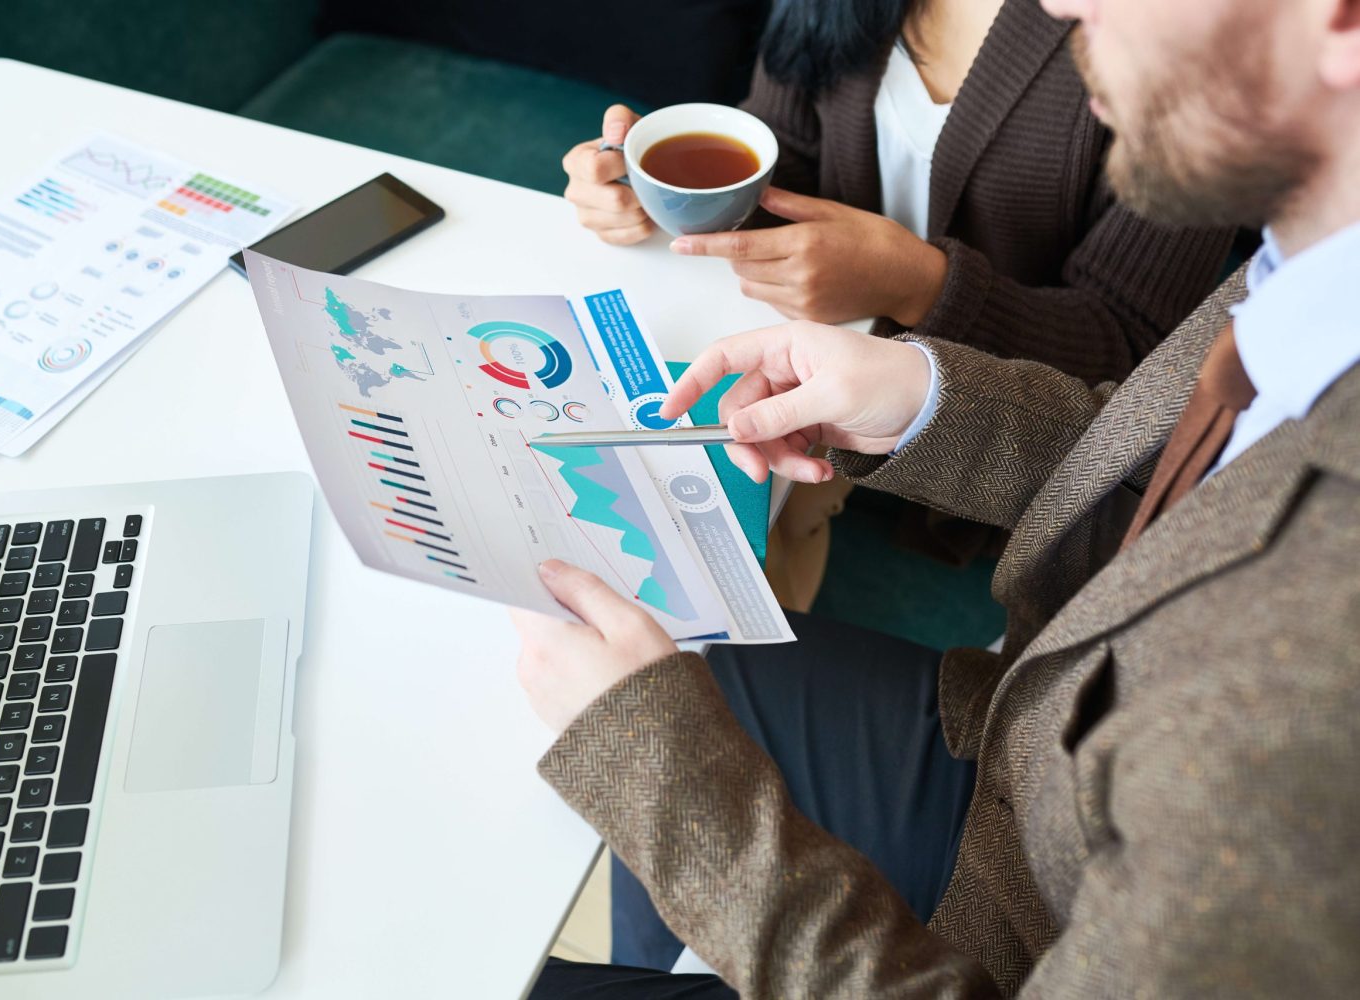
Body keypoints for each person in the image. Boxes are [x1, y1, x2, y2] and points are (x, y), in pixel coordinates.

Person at [518, 0, 1360, 995]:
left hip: (1016, 920)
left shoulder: (1310, 686)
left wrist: (670, 782)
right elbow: (1182, 474)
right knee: (678, 639)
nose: (1060, 8)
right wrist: (920, 399)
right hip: (1019, 732)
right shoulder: (1309, 267)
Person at [567, 0, 1237, 629]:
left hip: (964, 442)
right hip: (797, 361)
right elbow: (785, 153)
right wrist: (660, 195)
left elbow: (1135, 358)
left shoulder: (1174, 33)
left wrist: (915, 285)